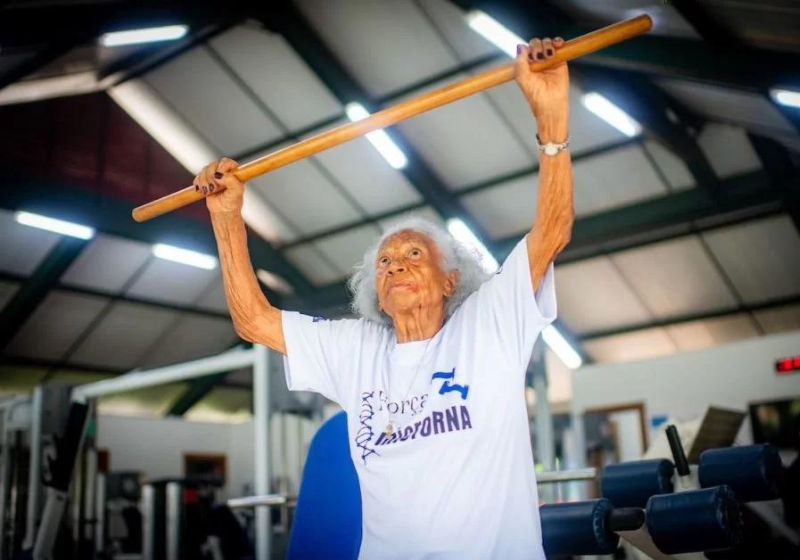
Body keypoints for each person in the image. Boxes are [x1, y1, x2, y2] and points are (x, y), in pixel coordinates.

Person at [196, 36, 573, 560]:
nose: (395, 264)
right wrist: (226, 218)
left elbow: (551, 231)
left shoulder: (488, 326)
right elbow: (254, 321)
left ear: (449, 281)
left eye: (414, 255)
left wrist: (551, 124)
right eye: (385, 262)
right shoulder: (357, 351)